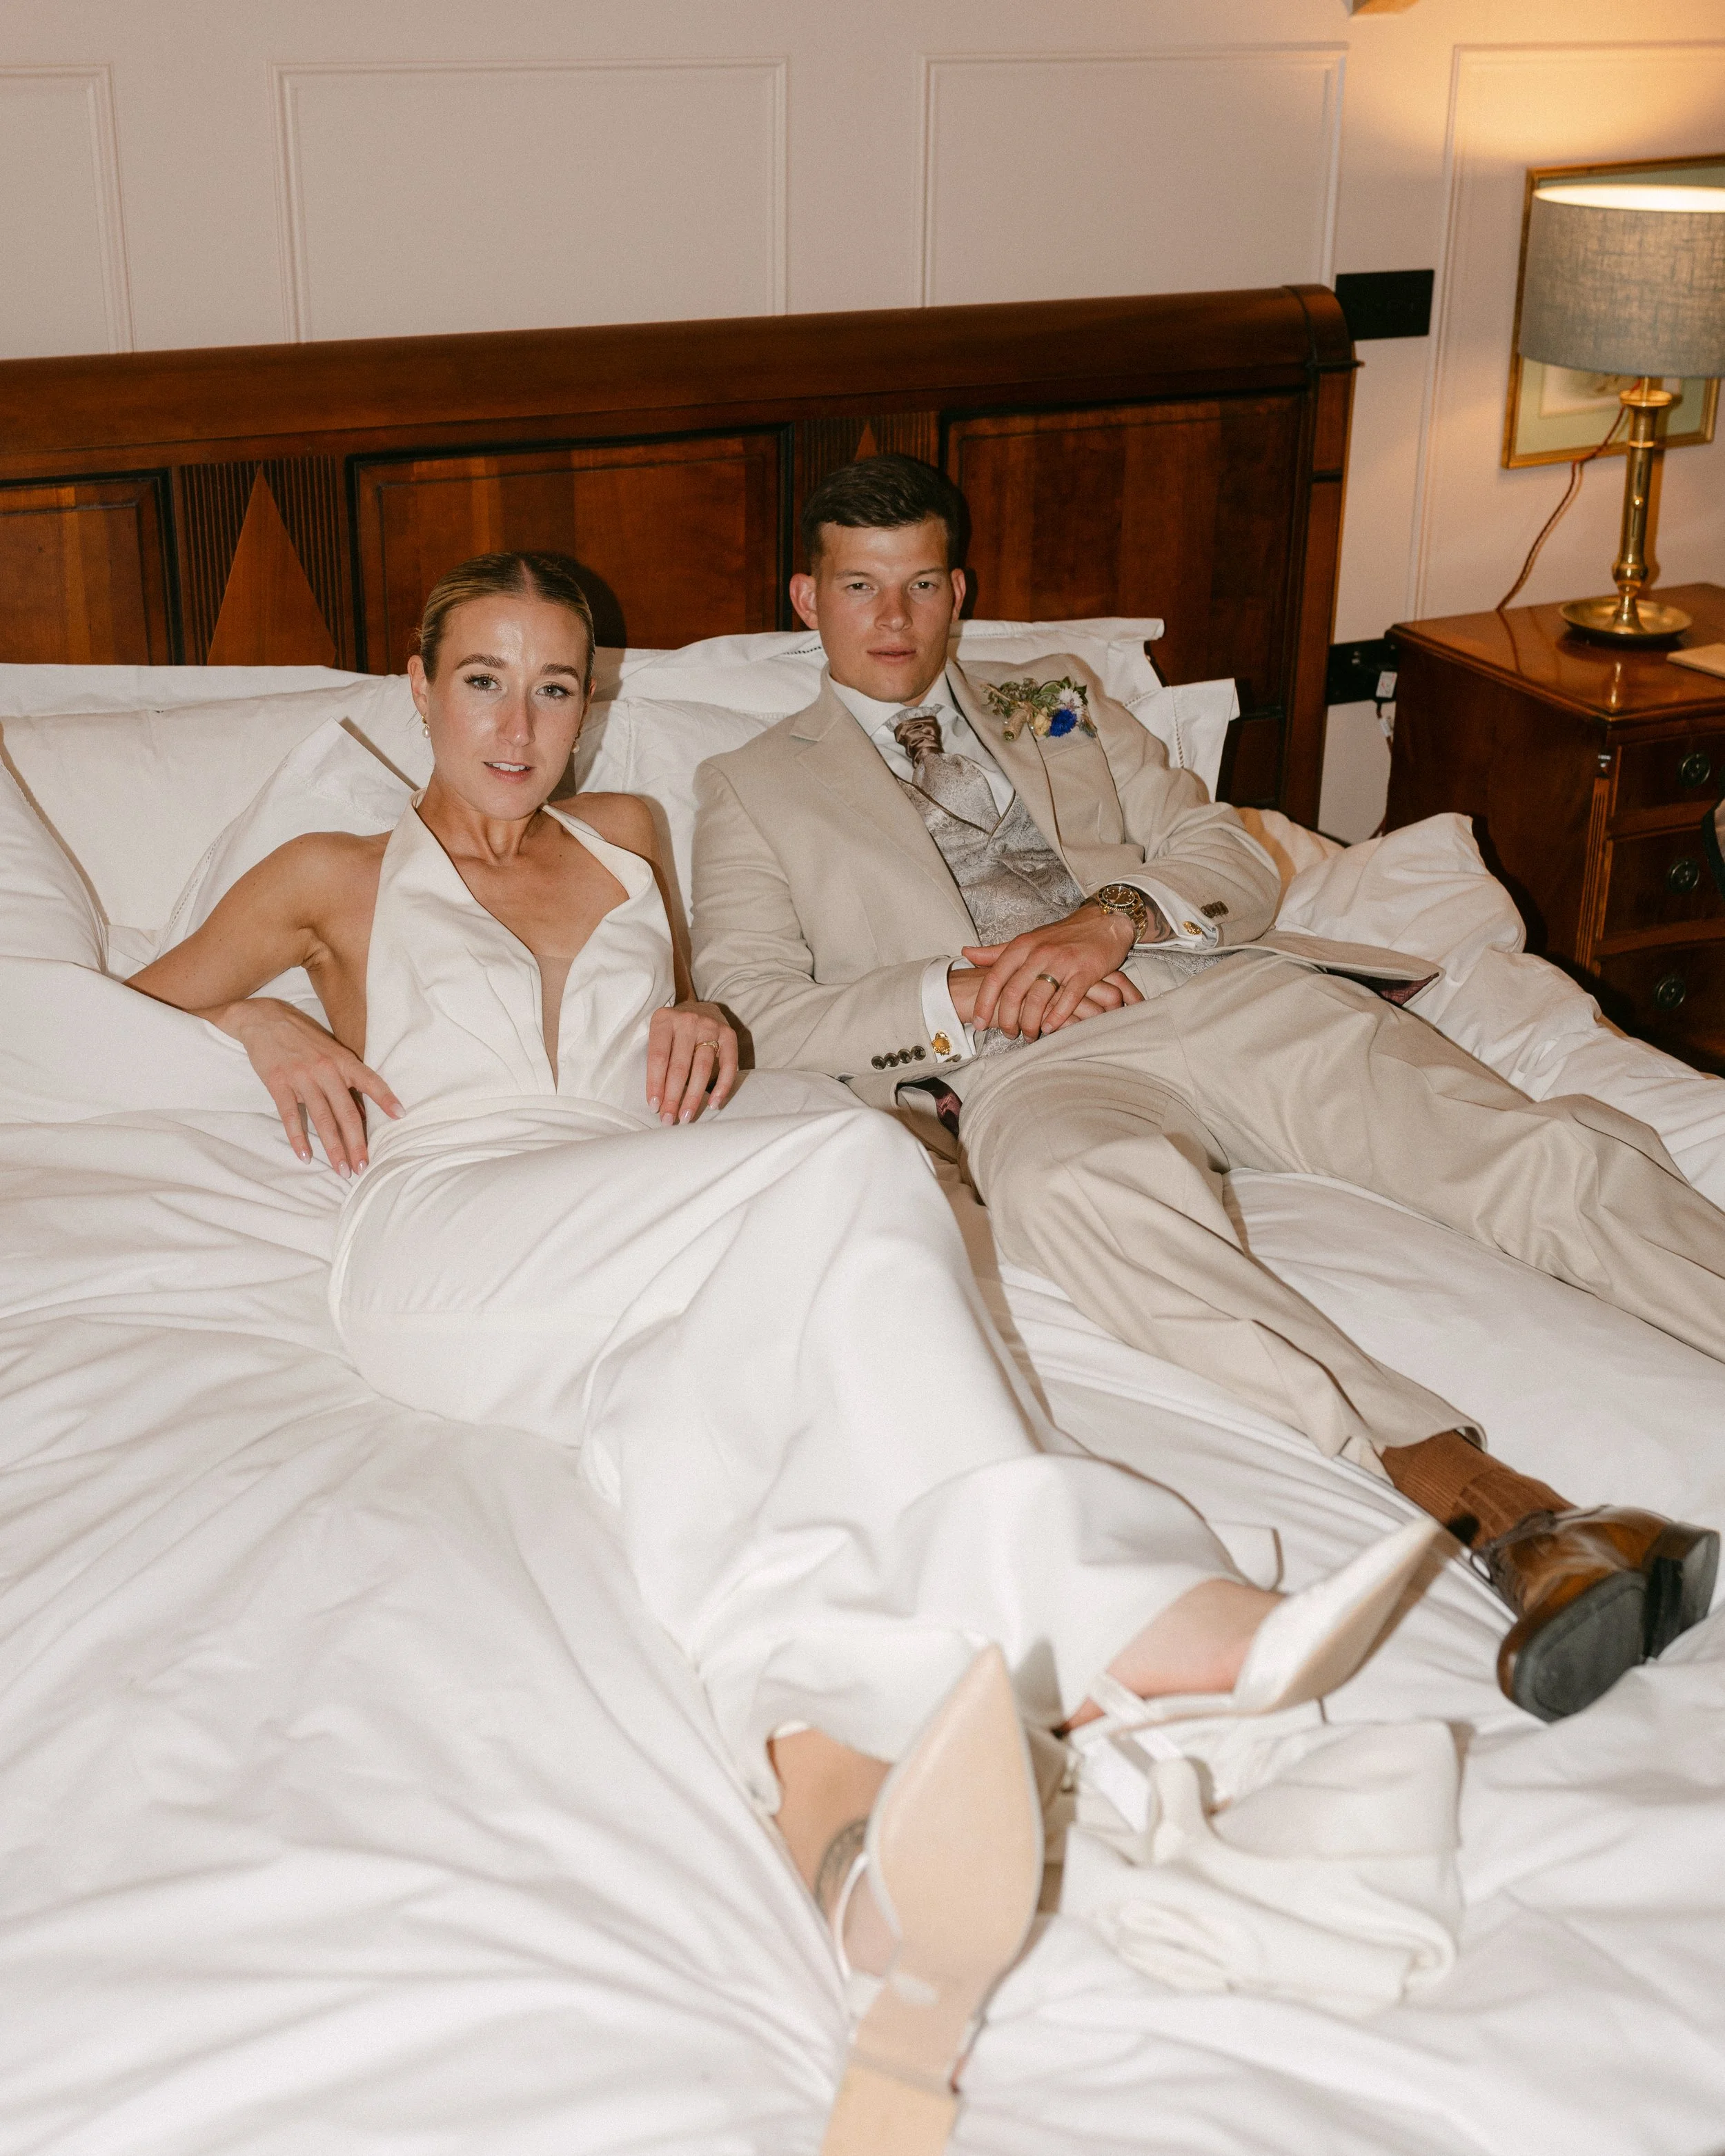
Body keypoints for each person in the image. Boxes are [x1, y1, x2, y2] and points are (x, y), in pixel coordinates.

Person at [126, 550, 1441, 2155]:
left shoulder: (628, 837)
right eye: (485, 679)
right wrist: (260, 1019)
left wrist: (705, 1028)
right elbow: (108, 1013)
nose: (523, 723)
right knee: (844, 1164)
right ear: (417, 688)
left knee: (720, 1422)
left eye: (559, 686)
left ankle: (856, 1864)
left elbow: (672, 1019)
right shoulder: (329, 868)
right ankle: (1112, 1598)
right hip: (452, 1233)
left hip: (635, 1227)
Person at [689, 453, 1722, 1723]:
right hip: (1012, 1067)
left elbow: (1221, 844)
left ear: (957, 590)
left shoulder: (1053, 694)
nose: (893, 621)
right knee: (1083, 1201)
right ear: (807, 599)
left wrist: (1106, 923)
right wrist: (965, 994)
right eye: (860, 588)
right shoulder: (747, 785)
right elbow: (763, 1010)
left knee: (1519, 1155)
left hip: (1214, 992)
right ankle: (1512, 1518)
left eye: (919, 586)